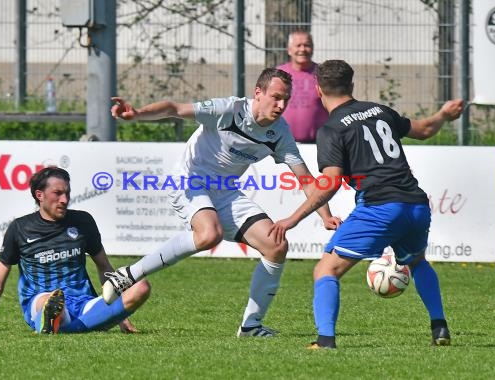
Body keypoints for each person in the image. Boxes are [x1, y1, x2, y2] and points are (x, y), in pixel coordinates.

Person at [105, 68, 342, 337]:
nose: (281, 105)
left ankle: (251, 326)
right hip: (189, 180)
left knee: (276, 245)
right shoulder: (228, 109)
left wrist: (325, 215)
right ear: (258, 93)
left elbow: (306, 180)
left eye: (286, 99)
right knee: (209, 234)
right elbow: (174, 108)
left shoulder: (280, 133)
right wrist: (137, 114)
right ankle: (126, 275)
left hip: (226, 191)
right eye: (276, 97)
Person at [269, 60, 464, 349]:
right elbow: (423, 130)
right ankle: (439, 327)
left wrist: (292, 218)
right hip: (416, 204)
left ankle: (324, 341)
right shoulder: (380, 111)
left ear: (318, 89)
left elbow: (331, 181)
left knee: (326, 271)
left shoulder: (331, 129)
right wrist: (444, 115)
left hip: (380, 207)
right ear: (352, 85)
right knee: (418, 261)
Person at [0, 167, 151, 334]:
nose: (64, 200)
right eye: (57, 193)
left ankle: (63, 327)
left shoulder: (83, 221)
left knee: (141, 287)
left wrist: (122, 318)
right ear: (39, 195)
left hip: (84, 303)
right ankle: (57, 320)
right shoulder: (20, 228)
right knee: (52, 301)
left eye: (67, 193)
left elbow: (104, 267)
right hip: (40, 300)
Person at [277, 30, 328, 143]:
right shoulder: (278, 73)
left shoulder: (323, 73)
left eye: (307, 45)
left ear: (313, 48)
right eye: (298, 45)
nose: (302, 49)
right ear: (289, 50)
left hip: (315, 145)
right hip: (281, 143)